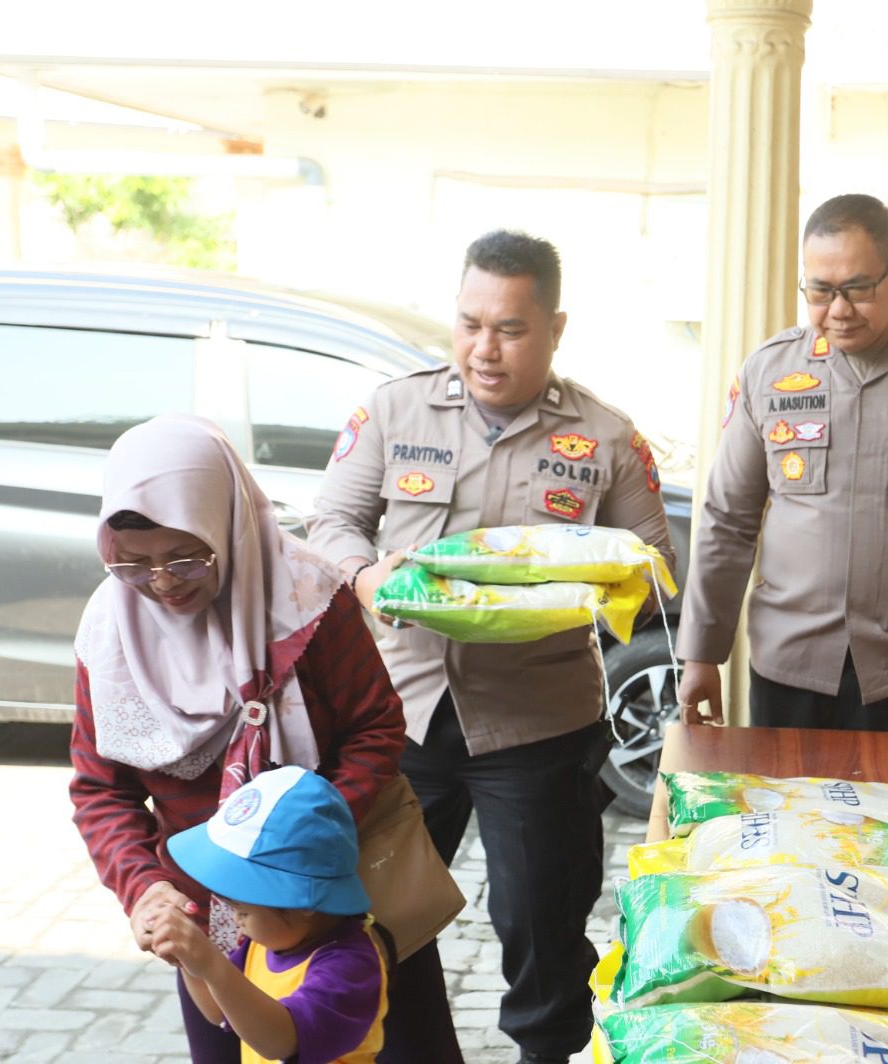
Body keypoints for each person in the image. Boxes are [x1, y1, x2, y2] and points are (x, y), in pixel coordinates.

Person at [309, 229, 674, 1064]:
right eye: (470, 323)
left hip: (538, 724)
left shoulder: (607, 438)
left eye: (510, 328)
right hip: (398, 716)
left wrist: (583, 584)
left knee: (541, 927)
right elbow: (329, 523)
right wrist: (367, 580)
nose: (485, 347)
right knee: (376, 917)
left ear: (555, 327)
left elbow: (654, 567)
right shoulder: (393, 411)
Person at [69, 414, 459, 1063]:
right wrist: (143, 886)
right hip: (210, 913)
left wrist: (303, 845)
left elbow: (375, 727)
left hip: (334, 899)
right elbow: (99, 788)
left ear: (227, 525)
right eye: (134, 566)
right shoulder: (109, 632)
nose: (162, 583)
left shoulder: (305, 596)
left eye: (185, 558)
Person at [675, 193, 888, 746]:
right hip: (788, 668)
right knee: (787, 824)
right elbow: (728, 520)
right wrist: (701, 652)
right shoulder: (768, 372)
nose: (838, 310)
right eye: (819, 290)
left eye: (857, 289)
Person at [155, 765, 389, 1064]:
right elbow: (219, 1011)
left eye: (242, 909)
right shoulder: (268, 941)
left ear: (303, 902)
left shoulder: (350, 967)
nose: (236, 919)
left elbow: (282, 1042)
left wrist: (212, 965)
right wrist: (189, 961)